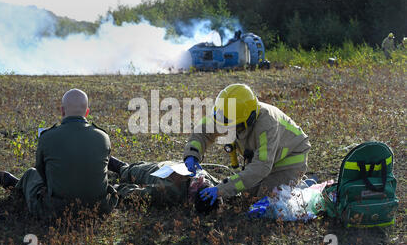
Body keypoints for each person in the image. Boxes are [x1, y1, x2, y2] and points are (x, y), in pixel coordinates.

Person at [0, 89, 117, 219]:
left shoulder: (47, 136)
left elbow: (41, 171)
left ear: (62, 111)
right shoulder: (103, 137)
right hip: (99, 209)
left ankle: (19, 189)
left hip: (57, 211)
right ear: (87, 111)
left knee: (32, 174)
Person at [183, 84, 311, 206]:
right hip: (265, 159)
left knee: (266, 200)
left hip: (290, 159)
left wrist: (221, 189)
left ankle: (302, 186)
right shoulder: (227, 114)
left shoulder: (267, 125)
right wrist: (192, 154)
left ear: (247, 121)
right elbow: (203, 131)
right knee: (247, 196)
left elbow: (261, 167)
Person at [107, 156, 220, 213]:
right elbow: (230, 188)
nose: (203, 180)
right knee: (128, 170)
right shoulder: (209, 183)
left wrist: (114, 189)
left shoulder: (172, 192)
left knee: (130, 171)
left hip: (154, 174)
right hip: (166, 167)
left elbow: (141, 194)